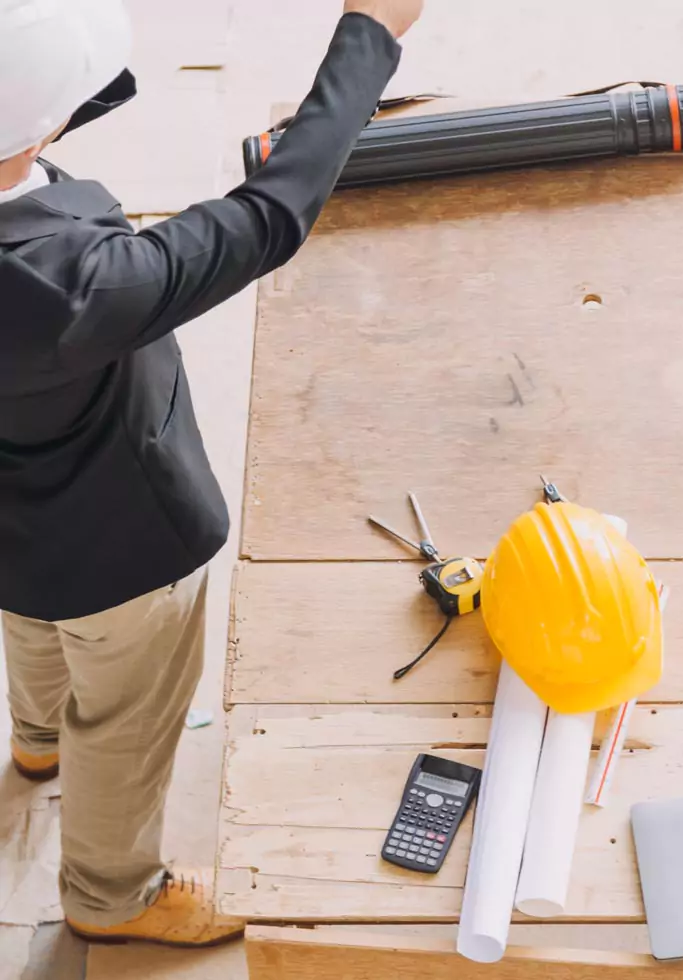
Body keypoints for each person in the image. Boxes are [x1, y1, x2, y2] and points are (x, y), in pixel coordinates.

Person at [0, 0, 423, 948]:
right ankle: (113, 896)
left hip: (16, 525)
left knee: (30, 621)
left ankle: (34, 742)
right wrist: (372, 35)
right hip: (118, 552)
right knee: (123, 713)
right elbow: (269, 215)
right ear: (43, 126)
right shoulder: (79, 284)